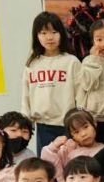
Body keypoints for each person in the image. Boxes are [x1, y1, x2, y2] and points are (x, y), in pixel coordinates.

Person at [22, 11, 81, 154]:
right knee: (47, 164)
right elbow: (26, 96)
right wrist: (25, 122)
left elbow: (80, 94)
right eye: (43, 33)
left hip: (68, 125)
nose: (49, 37)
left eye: (54, 32)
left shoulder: (71, 62)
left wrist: (80, 120)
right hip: (43, 126)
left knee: (70, 163)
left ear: (61, 34)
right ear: (36, 36)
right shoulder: (32, 64)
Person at [41, 108, 104, 182]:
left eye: (86, 127)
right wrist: (53, 147)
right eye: (76, 132)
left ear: (94, 124)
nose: (83, 134)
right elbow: (48, 164)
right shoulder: (67, 148)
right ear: (71, 135)